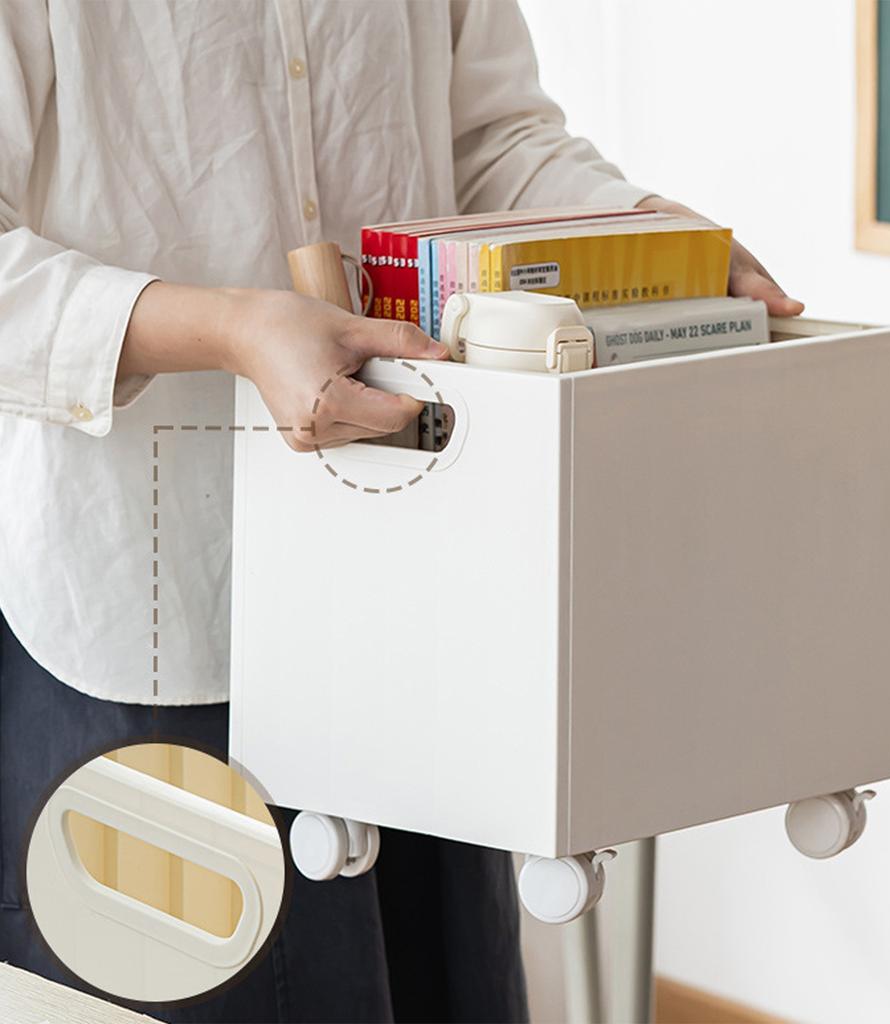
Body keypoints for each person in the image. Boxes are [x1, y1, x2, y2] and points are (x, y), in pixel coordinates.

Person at [0, 2, 803, 1021]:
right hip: (162, 602)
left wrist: (653, 238)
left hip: (420, 586)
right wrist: (231, 326)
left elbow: (488, 142)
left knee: (449, 986)